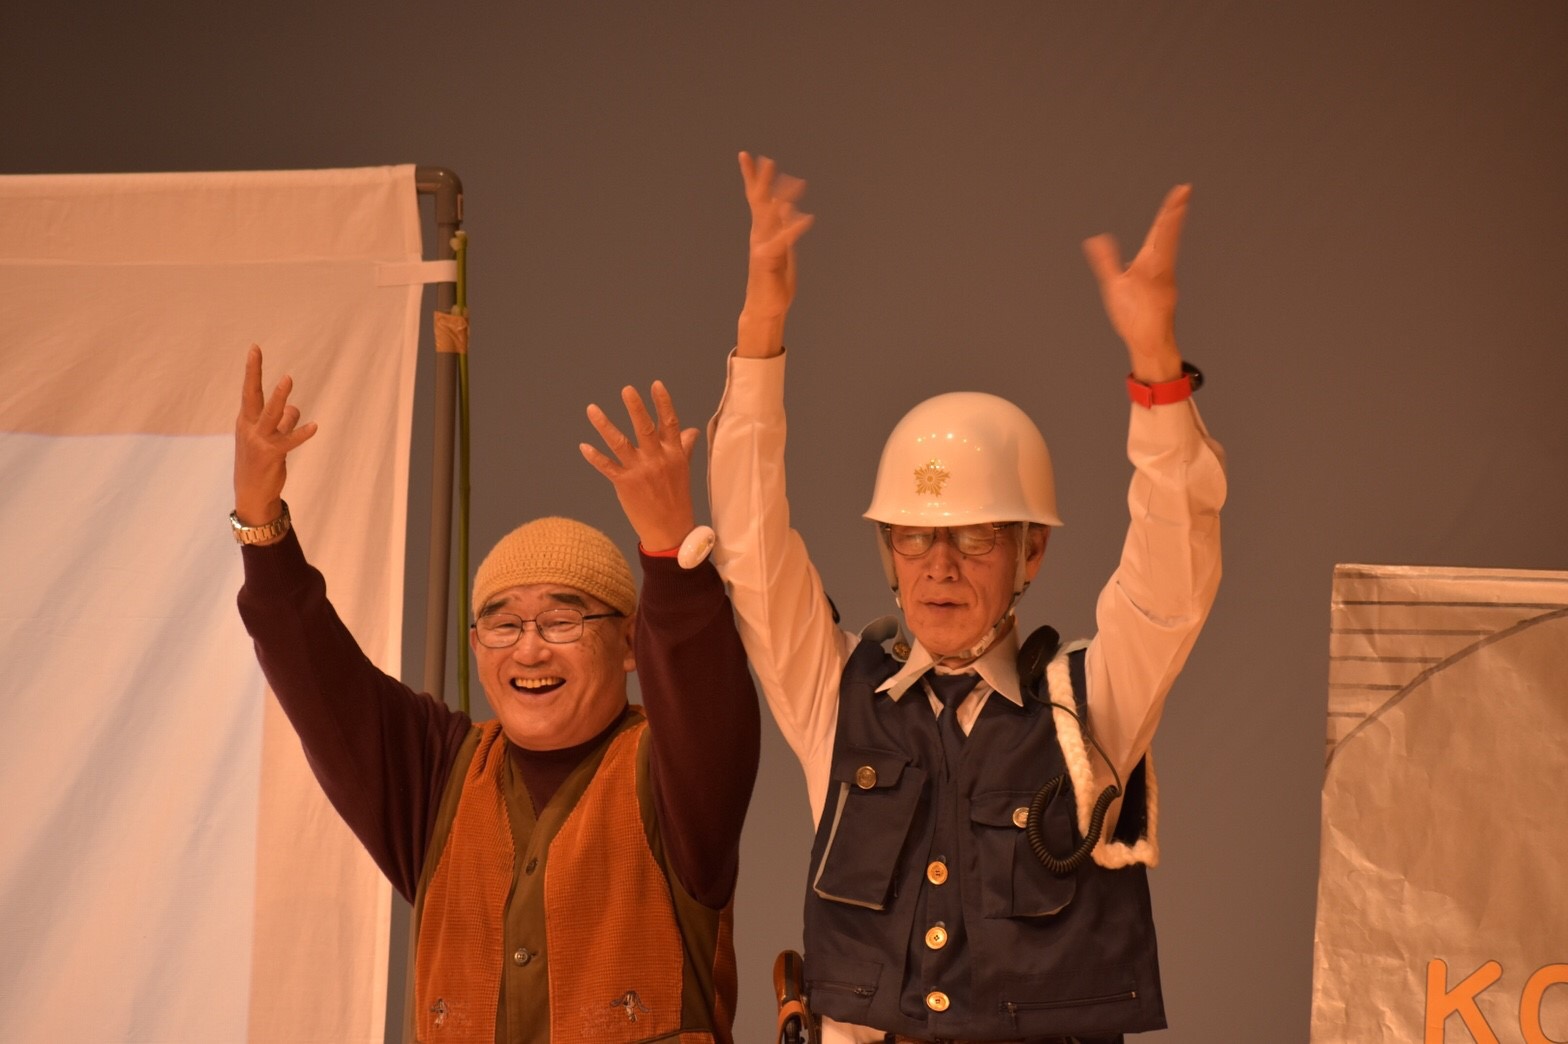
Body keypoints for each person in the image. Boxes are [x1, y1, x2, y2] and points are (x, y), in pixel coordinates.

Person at [707, 154, 1226, 1044]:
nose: (939, 566)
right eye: (914, 537)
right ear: (889, 551)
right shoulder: (837, 697)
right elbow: (751, 552)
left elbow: (1171, 579)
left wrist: (1156, 368)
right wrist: (761, 327)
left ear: (1032, 551)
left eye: (975, 537)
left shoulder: (1089, 710)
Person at [232, 346, 760, 1042]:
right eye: (503, 625)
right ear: (478, 647)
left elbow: (703, 690)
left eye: (563, 620)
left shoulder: (673, 780)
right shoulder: (438, 780)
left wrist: (669, 549)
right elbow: (315, 673)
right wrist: (260, 525)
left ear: (631, 643)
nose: (529, 649)